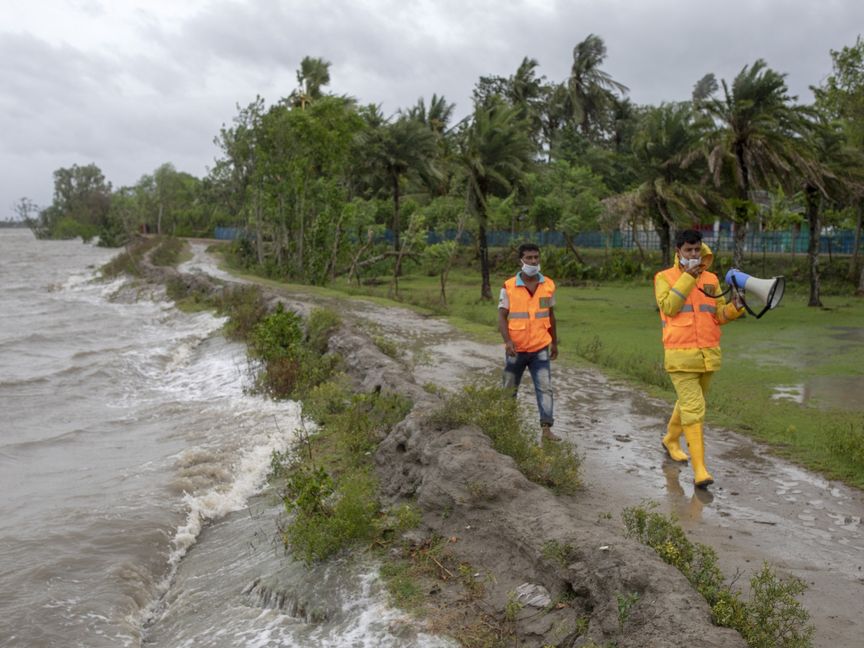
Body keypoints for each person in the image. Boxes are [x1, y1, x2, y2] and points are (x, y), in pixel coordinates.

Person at [654, 229, 744, 488]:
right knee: (694, 409)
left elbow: (718, 316)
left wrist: (735, 308)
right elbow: (669, 308)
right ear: (678, 252)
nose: (694, 255)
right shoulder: (664, 278)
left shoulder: (712, 280)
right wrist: (687, 278)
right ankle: (700, 470)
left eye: (697, 250)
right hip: (680, 357)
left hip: (708, 356)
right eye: (688, 251)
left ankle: (671, 438)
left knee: (688, 404)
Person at [498, 243, 559, 441]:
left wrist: (555, 343)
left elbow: (550, 315)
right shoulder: (508, 286)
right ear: (521, 261)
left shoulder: (548, 285)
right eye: (529, 258)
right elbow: (501, 317)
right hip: (516, 348)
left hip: (540, 347)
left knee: (545, 387)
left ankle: (546, 429)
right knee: (509, 386)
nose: (533, 261)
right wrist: (507, 341)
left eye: (536, 257)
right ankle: (506, 424)